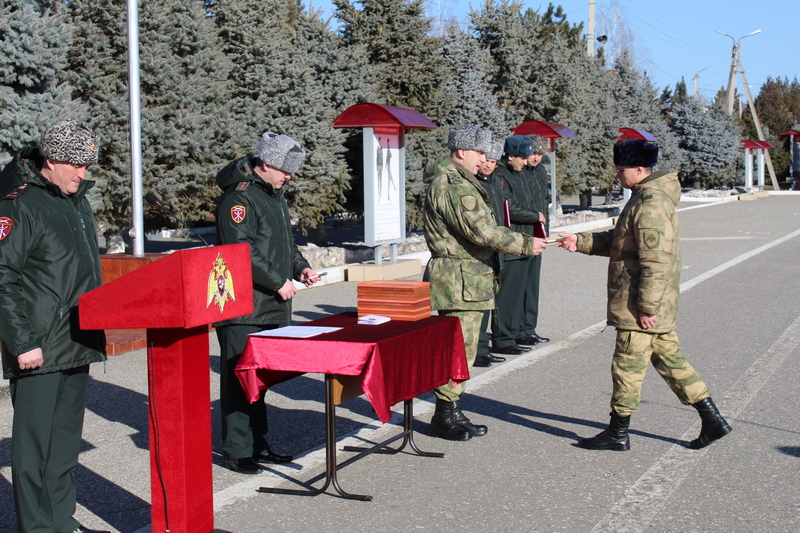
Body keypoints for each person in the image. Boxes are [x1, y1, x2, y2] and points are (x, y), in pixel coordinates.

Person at [557, 138, 732, 451]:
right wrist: (581, 241)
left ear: (639, 169)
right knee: (671, 362)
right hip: (648, 305)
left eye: (622, 170)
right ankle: (712, 420)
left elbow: (656, 262)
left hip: (639, 305)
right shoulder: (643, 198)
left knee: (626, 366)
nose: (618, 175)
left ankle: (617, 433)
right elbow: (622, 242)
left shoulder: (650, 205)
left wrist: (646, 308)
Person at [0, 120, 110, 533]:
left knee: (63, 444)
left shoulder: (77, 200)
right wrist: (23, 340)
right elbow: (2, 277)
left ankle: (62, 520)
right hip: (38, 345)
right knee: (33, 447)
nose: (83, 174)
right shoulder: (19, 204)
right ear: (50, 161)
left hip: (78, 338)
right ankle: (37, 527)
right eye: (76, 165)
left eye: (86, 166)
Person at [423, 124, 546, 441]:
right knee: (455, 351)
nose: (484, 160)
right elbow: (482, 231)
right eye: (479, 153)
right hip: (457, 280)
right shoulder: (452, 186)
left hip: (467, 279)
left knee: (461, 352)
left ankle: (451, 409)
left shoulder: (462, 181)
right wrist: (522, 243)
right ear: (462, 152)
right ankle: (443, 414)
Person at [214, 131, 321, 473]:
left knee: (258, 381)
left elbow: (283, 244)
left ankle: (258, 444)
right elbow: (241, 251)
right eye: (284, 170)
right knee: (238, 380)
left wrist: (301, 268)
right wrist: (278, 282)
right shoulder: (239, 199)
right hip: (245, 307)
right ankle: (237, 449)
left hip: (270, 304)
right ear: (265, 164)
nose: (289, 176)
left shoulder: (274, 194)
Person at [491, 135, 543, 355]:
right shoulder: (501, 174)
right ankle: (504, 338)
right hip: (512, 240)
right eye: (522, 157)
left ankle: (518, 331)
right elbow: (508, 207)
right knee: (508, 293)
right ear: (510, 156)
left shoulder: (520, 173)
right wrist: (534, 216)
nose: (526, 160)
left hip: (529, 238)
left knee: (523, 290)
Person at [474, 141, 507, 368]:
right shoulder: (473, 184)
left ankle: (483, 347)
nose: (488, 165)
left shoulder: (494, 183)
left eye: (493, 162)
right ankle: (476, 350)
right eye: (485, 160)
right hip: (481, 250)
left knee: (489, 302)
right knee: (477, 306)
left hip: (495, 248)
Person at [516, 133, 552, 346]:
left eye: (540, 153)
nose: (536, 157)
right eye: (533, 153)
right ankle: (518, 328)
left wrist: (545, 229)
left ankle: (529, 327)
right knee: (519, 286)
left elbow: (544, 201)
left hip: (538, 233)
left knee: (532, 285)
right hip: (522, 233)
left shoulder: (539, 172)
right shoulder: (519, 173)